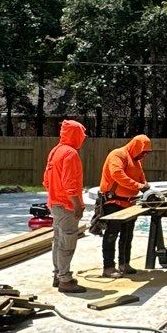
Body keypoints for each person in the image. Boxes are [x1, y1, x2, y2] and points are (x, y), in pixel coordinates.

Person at [96, 133, 151, 277]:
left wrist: (145, 185)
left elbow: (142, 178)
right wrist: (139, 186)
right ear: (136, 147)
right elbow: (117, 174)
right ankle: (108, 267)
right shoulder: (118, 155)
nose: (144, 155)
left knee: (127, 235)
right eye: (143, 152)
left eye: (146, 153)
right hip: (113, 201)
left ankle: (124, 264)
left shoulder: (136, 161)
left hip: (129, 203)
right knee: (111, 234)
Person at [43, 118, 87, 293]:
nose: (83, 138)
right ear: (75, 135)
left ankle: (58, 275)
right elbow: (70, 183)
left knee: (58, 241)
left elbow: (46, 181)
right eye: (81, 135)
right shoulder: (70, 153)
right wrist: (77, 205)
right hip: (66, 205)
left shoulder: (55, 151)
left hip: (55, 203)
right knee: (67, 243)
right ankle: (65, 280)